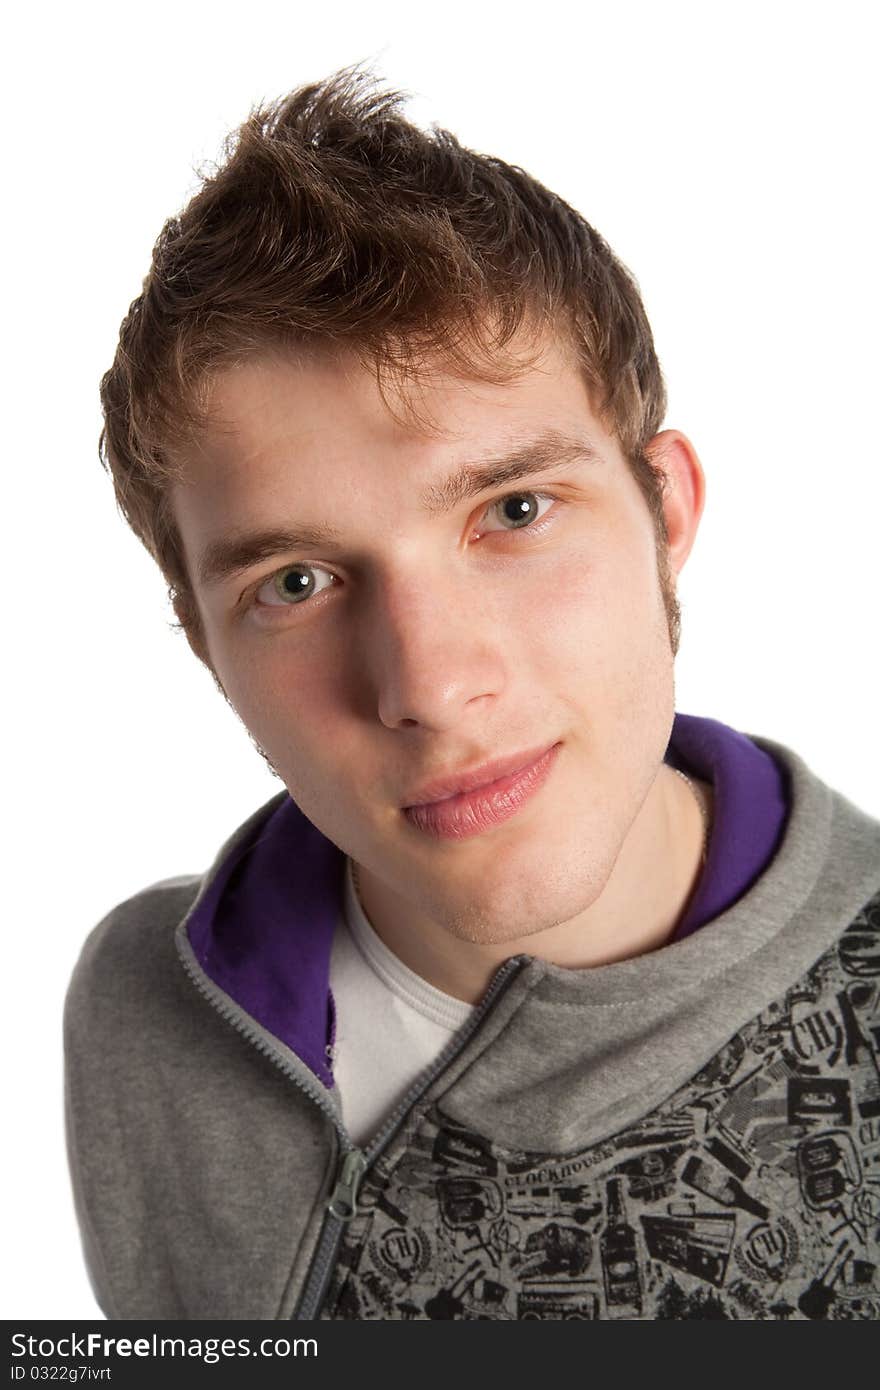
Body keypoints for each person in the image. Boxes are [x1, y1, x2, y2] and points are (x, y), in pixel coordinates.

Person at [64, 65, 880, 1322]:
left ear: (665, 514)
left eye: (513, 511)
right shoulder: (147, 1005)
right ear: (203, 647)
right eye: (296, 580)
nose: (432, 686)